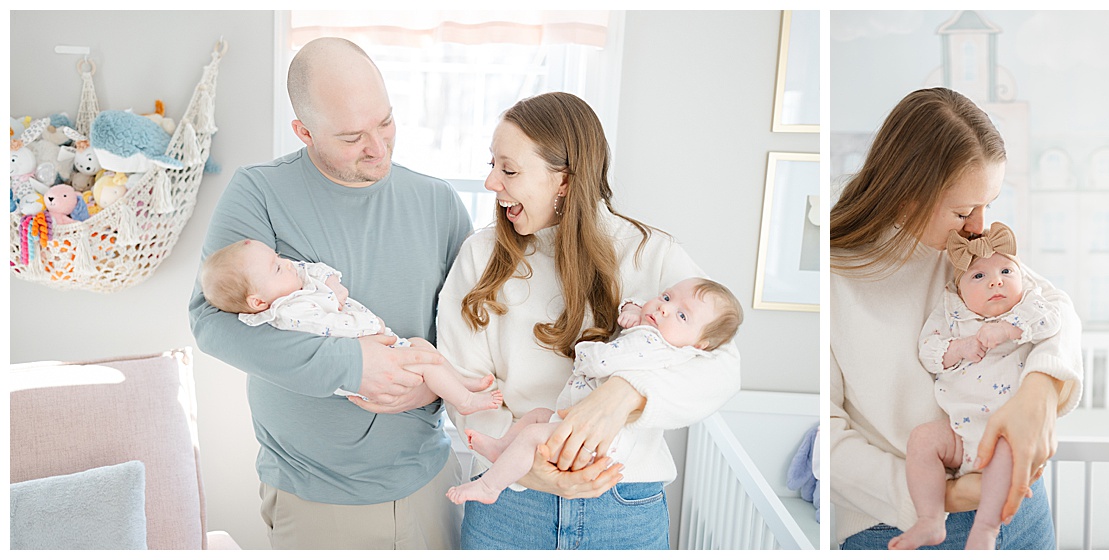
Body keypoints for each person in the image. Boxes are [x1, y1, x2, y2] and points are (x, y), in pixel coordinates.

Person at [352, 91, 740, 549]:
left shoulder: (649, 253)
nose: (491, 183)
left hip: (623, 506)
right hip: (509, 502)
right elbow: (463, 383)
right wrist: (529, 468)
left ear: (565, 181)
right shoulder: (481, 256)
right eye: (492, 164)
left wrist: (624, 393)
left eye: (509, 170)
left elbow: (721, 367)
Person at [187, 37, 475, 550]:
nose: (379, 147)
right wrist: (354, 366)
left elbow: (471, 330)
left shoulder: (438, 202)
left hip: (432, 481)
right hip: (316, 496)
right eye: (351, 137)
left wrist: (432, 384)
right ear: (304, 132)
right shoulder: (260, 193)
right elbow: (212, 324)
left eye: (385, 122)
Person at [830, 87, 1082, 550]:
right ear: (908, 194)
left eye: (988, 205)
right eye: (965, 210)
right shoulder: (836, 279)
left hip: (1019, 502)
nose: (980, 226)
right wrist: (942, 496)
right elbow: (828, 439)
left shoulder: (972, 254)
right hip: (900, 520)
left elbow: (1055, 307)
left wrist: (1041, 390)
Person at [445, 277, 743, 505]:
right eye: (666, 296)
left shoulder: (653, 345)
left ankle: (489, 487)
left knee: (533, 435)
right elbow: (637, 309)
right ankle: (501, 448)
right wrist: (634, 310)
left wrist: (585, 351)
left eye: (681, 316)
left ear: (699, 345)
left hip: (597, 445)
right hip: (578, 428)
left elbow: (606, 361)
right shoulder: (663, 340)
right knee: (537, 416)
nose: (664, 307)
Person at [891, 222, 1063, 550]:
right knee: (923, 440)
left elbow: (1053, 319)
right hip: (959, 431)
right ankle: (929, 519)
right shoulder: (952, 313)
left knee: (1004, 459)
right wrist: (961, 347)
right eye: (979, 277)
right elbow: (928, 351)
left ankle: (985, 528)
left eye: (1005, 271)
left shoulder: (1027, 305)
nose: (996, 280)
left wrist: (1008, 329)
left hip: (1005, 431)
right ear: (960, 290)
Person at [199, 238, 503, 414]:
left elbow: (312, 270)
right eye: (277, 267)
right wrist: (337, 294)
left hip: (382, 345)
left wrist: (329, 282)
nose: (288, 263)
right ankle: (464, 401)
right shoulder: (291, 312)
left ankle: (463, 382)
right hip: (370, 363)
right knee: (426, 365)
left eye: (278, 256)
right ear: (257, 302)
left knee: (425, 349)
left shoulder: (289, 286)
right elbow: (334, 323)